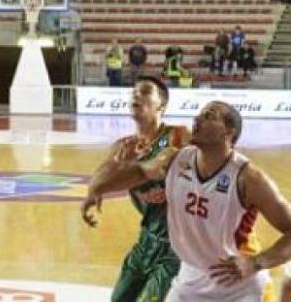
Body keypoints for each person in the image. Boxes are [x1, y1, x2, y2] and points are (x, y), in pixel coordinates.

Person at [84, 101, 291, 302]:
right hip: (190, 278)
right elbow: (139, 172)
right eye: (200, 114)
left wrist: (256, 263)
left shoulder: (250, 179)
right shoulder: (173, 159)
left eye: (209, 116)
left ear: (228, 133)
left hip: (240, 285)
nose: (197, 118)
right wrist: (97, 188)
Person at [81, 76, 191, 302]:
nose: (136, 95)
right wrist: (120, 164)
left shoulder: (179, 136)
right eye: (134, 92)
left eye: (145, 91)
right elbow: (96, 184)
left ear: (161, 104)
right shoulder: (124, 146)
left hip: (178, 248)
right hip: (146, 242)